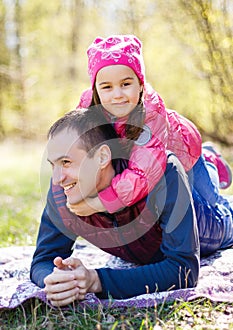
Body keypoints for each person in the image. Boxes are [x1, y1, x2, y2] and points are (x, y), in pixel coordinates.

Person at [30, 108, 233, 307]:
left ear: (102, 157)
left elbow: (183, 270)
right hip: (145, 249)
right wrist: (57, 280)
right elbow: (43, 260)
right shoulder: (62, 191)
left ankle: (209, 159)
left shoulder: (162, 174)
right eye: (53, 165)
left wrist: (96, 280)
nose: (57, 178)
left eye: (66, 162)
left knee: (225, 215)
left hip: (207, 227)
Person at [70, 34, 231, 217]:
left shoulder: (151, 115)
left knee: (212, 199)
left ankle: (211, 161)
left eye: (126, 84)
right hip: (138, 154)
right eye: (107, 87)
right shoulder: (88, 109)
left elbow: (144, 173)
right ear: (96, 89)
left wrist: (102, 202)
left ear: (140, 84)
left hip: (184, 151)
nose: (117, 95)